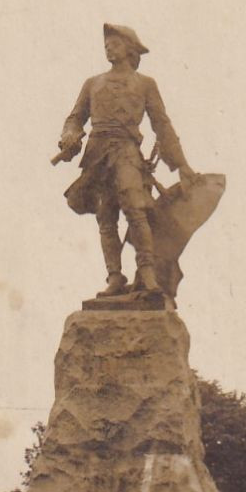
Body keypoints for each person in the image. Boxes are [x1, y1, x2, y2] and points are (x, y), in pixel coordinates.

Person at [55, 23, 197, 298]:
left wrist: (182, 165)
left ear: (130, 49)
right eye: (106, 44)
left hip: (127, 153)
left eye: (115, 43)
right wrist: (69, 136)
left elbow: (162, 125)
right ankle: (115, 277)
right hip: (97, 155)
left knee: (135, 208)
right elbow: (75, 118)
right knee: (106, 215)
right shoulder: (92, 84)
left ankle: (147, 273)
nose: (109, 47)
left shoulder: (145, 84)